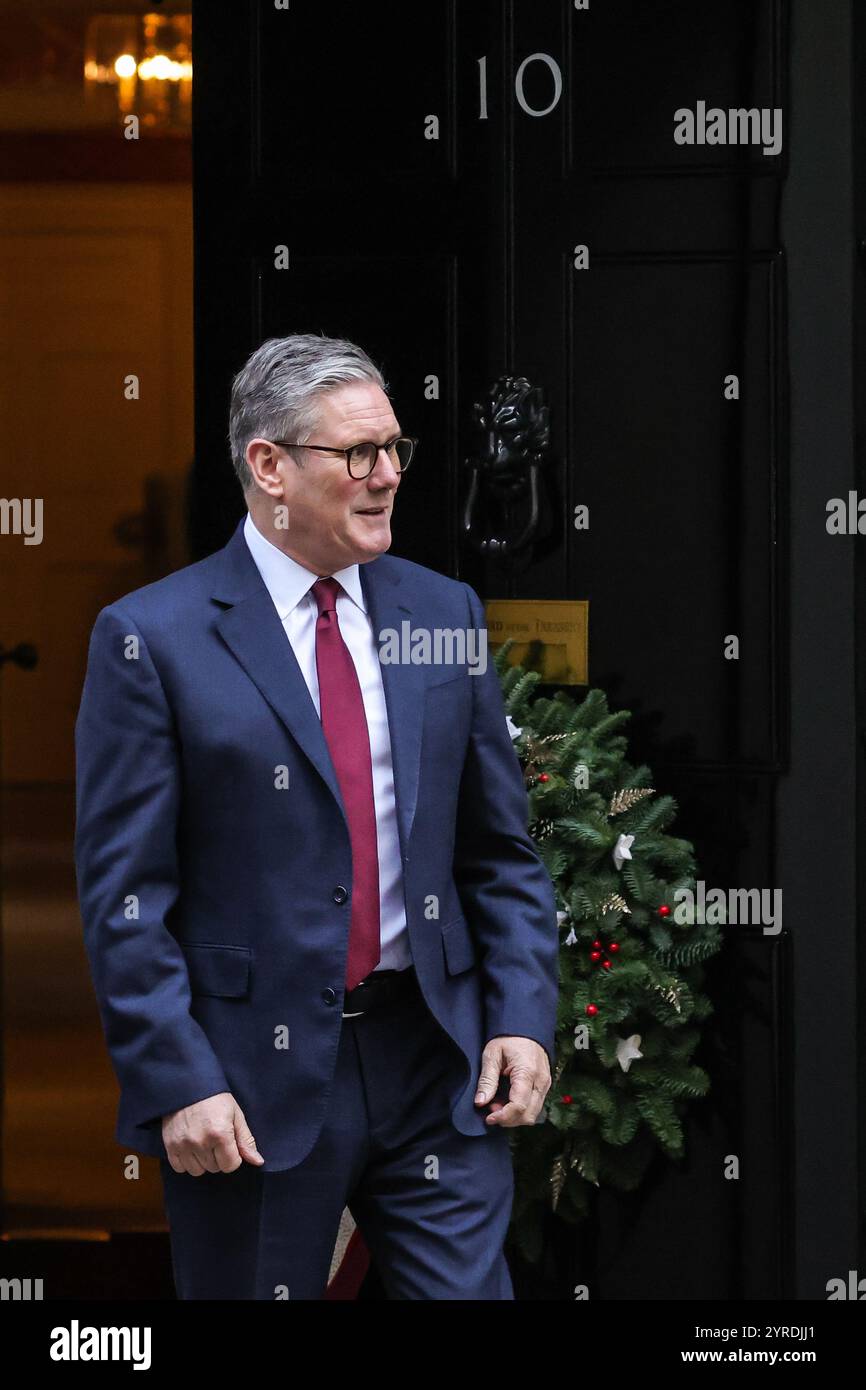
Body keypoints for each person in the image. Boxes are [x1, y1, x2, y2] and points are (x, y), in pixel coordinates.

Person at [74, 332, 559, 1300]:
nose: (386, 476)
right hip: (250, 1079)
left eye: (393, 451)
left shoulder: (442, 610)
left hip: (432, 1058)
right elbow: (126, 892)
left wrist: (520, 1013)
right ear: (268, 466)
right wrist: (179, 1075)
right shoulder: (154, 639)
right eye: (357, 454)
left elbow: (495, 847)